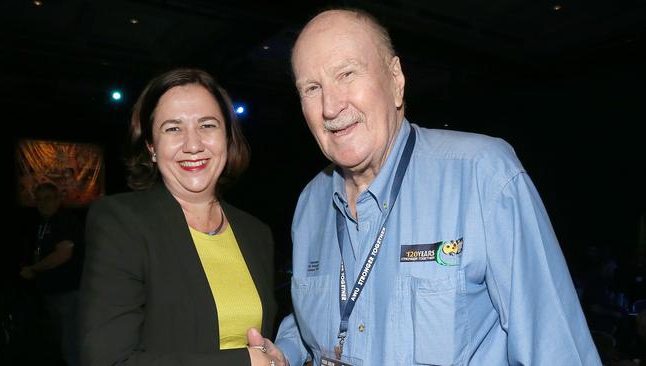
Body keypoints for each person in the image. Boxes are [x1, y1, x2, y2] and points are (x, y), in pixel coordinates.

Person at [249, 8, 602, 366]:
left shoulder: (484, 176)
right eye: (312, 88)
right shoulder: (310, 202)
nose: (330, 105)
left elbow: (558, 351)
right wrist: (287, 353)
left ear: (396, 79)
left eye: (347, 73)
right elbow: (312, 311)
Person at [79, 68, 279, 365]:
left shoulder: (256, 233)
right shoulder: (121, 222)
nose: (193, 144)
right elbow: (108, 360)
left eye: (207, 125)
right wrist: (244, 362)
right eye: (173, 128)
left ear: (227, 137)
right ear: (151, 147)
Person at [20, 182, 82, 366]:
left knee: (71, 346)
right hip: (51, 293)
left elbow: (63, 254)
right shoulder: (42, 223)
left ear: (58, 199)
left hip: (69, 293)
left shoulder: (65, 220)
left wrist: (33, 269)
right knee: (59, 343)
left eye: (47, 198)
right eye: (38, 199)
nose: (42, 203)